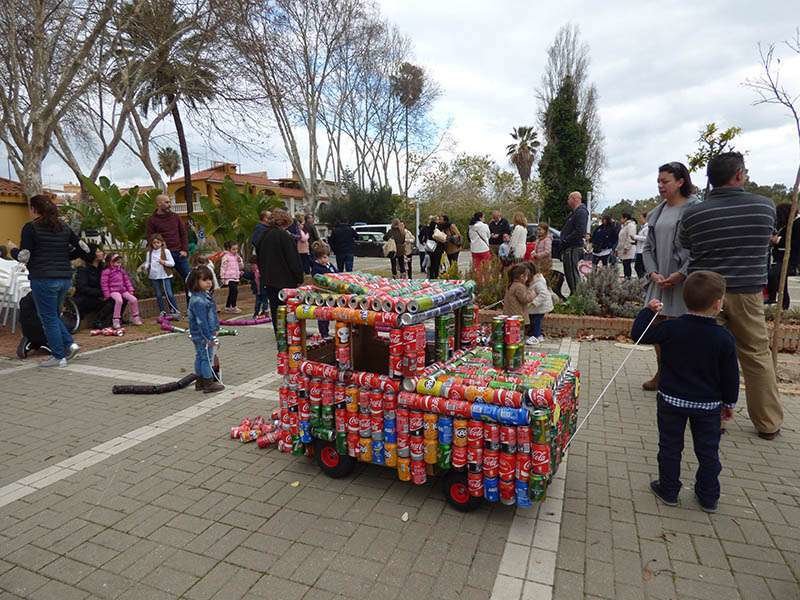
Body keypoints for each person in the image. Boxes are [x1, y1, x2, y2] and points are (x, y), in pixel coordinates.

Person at [680, 152, 783, 440]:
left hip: (705, 291)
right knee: (755, 355)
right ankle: (768, 422)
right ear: (738, 174)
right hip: (747, 291)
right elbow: (766, 239)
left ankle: (713, 418)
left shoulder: (693, 213)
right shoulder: (764, 207)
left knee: (708, 354)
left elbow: (686, 243)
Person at [631, 271, 738, 513]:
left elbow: (638, 336)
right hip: (708, 406)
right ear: (717, 303)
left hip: (671, 400)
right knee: (708, 450)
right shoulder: (723, 337)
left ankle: (668, 489)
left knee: (670, 446)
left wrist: (648, 311)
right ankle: (708, 495)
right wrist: (729, 403)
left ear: (684, 299)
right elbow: (731, 375)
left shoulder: (672, 328)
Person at [641, 162, 698, 391]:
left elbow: (698, 248)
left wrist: (682, 273)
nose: (660, 186)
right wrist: (653, 272)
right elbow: (647, 248)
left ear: (681, 181)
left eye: (665, 181)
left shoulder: (694, 209)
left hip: (683, 283)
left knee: (681, 332)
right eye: (658, 181)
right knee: (656, 328)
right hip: (660, 282)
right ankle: (662, 372)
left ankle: (679, 377)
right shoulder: (658, 211)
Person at [10, 195, 85, 366]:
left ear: (34, 209)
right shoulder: (63, 227)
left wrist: (12, 249)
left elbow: (24, 256)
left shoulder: (31, 228)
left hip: (43, 279)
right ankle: (70, 345)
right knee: (53, 315)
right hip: (64, 278)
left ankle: (58, 357)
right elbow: (82, 247)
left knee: (48, 318)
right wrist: (66, 256)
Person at [256, 208, 304, 332]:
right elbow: (293, 259)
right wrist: (299, 277)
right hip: (286, 280)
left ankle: (279, 332)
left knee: (275, 307)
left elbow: (259, 258)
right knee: (288, 307)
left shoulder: (263, 236)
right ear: (284, 222)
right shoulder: (284, 236)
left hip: (269, 279)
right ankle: (291, 331)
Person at [187, 265, 224, 393]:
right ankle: (208, 382)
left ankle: (200, 381)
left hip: (203, 333)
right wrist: (209, 337)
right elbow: (202, 321)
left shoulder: (204, 295)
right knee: (206, 358)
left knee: (200, 356)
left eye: (210, 279)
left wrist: (216, 328)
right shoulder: (198, 300)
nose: (209, 282)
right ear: (196, 282)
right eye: (205, 280)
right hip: (202, 335)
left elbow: (211, 315)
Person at [146, 194, 189, 287]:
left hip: (179, 253)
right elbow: (151, 238)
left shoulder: (175, 217)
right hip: (163, 255)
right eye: (166, 202)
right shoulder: (152, 220)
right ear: (158, 203)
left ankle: (192, 301)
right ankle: (170, 301)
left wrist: (185, 250)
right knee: (166, 284)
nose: (169, 204)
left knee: (189, 278)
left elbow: (183, 234)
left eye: (169, 202)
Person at [75, 244, 117, 328]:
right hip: (86, 298)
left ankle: (116, 319)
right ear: (92, 254)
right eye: (98, 251)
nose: (102, 253)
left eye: (101, 251)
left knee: (121, 297)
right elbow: (82, 288)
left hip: (100, 295)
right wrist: (101, 293)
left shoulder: (103, 268)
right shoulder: (83, 269)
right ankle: (98, 321)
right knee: (110, 301)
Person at [767, 203, 799, 308]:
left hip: (791, 259)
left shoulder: (797, 224)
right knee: (782, 281)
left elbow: (795, 242)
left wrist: (778, 240)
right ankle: (784, 305)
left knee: (773, 274)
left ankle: (772, 297)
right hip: (781, 257)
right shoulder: (786, 225)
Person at [101, 253, 142, 330]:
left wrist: (130, 289)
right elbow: (104, 284)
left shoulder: (121, 271)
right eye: (117, 262)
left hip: (123, 290)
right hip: (113, 291)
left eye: (120, 262)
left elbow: (126, 281)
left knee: (134, 299)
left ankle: (135, 317)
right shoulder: (107, 272)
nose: (119, 264)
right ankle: (116, 320)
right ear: (110, 262)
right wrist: (107, 294)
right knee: (119, 301)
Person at [560, 192, 589, 295]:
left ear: (575, 199)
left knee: (572, 273)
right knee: (569, 272)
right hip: (569, 247)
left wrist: (566, 240)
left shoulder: (581, 212)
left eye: (569, 198)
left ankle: (577, 295)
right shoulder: (575, 212)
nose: (568, 201)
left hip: (573, 247)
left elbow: (580, 231)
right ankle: (574, 294)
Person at [143, 234, 179, 317]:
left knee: (169, 293)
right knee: (158, 294)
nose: (156, 244)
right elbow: (148, 262)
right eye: (154, 242)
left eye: (158, 242)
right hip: (154, 275)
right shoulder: (149, 253)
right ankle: (162, 311)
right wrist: (146, 266)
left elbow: (172, 263)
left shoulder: (166, 251)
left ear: (162, 243)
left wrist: (164, 262)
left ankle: (174, 310)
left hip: (164, 275)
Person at [310, 241, 337, 337]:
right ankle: (323, 333)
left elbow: (336, 273)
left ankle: (326, 331)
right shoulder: (317, 268)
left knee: (328, 314)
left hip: (330, 293)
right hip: (321, 294)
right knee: (322, 315)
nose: (327, 259)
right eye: (325, 257)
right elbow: (319, 280)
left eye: (327, 257)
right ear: (319, 258)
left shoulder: (328, 265)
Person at [524, 262, 554, 345]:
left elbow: (543, 294)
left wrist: (534, 302)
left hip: (541, 307)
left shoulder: (538, 282)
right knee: (533, 320)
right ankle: (537, 334)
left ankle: (536, 336)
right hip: (537, 307)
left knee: (536, 321)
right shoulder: (534, 281)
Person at [220, 241, 243, 313]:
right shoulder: (225, 257)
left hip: (236, 276)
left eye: (236, 249)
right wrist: (222, 277)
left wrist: (239, 262)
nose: (235, 251)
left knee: (231, 292)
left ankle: (227, 307)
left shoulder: (237, 256)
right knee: (234, 291)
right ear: (229, 249)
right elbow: (223, 267)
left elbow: (241, 267)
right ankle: (233, 306)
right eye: (233, 249)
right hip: (229, 277)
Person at [617, 212, 637, 279]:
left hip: (628, 249)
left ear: (625, 218)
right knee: (625, 264)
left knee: (627, 264)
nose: (620, 219)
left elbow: (630, 237)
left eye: (621, 218)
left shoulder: (631, 225)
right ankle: (626, 278)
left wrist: (626, 248)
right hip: (623, 248)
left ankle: (628, 279)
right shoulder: (625, 226)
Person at [634, 213, 649, 279]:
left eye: (641, 218)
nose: (640, 220)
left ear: (646, 218)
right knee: (639, 267)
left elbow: (646, 238)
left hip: (643, 251)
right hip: (639, 250)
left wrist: (635, 237)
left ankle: (642, 281)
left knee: (639, 267)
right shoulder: (643, 227)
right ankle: (642, 281)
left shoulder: (647, 227)